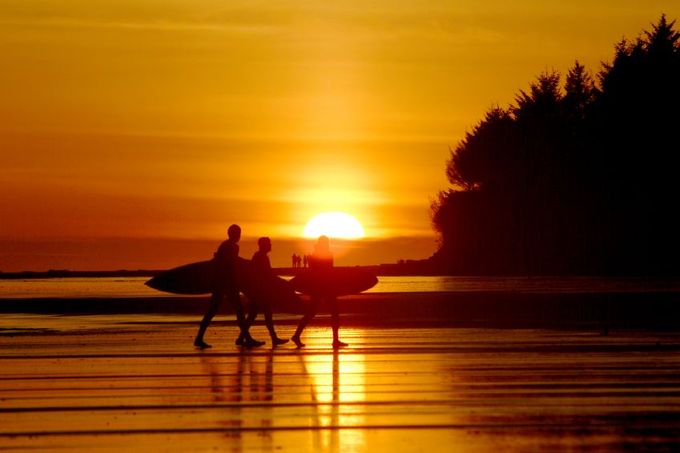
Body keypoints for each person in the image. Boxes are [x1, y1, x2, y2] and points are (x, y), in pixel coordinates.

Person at [194, 224, 264, 349]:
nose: (239, 236)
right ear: (232, 234)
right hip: (226, 284)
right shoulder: (231, 246)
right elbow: (229, 263)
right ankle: (245, 338)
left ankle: (200, 338)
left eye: (239, 233)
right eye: (237, 233)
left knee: (217, 311)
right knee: (236, 310)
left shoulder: (225, 245)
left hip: (222, 283)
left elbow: (229, 260)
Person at [291, 235, 347, 348]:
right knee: (329, 313)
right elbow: (323, 272)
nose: (328, 244)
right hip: (322, 288)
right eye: (327, 243)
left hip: (321, 287)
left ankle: (297, 336)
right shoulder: (321, 255)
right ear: (323, 243)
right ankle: (335, 340)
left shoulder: (315, 255)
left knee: (316, 313)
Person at [240, 237, 289, 346]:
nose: (271, 245)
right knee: (266, 315)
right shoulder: (261, 257)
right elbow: (267, 274)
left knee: (255, 315)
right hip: (260, 292)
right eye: (269, 244)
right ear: (264, 245)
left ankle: (242, 337)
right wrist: (282, 282)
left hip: (258, 291)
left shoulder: (260, 256)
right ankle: (274, 338)